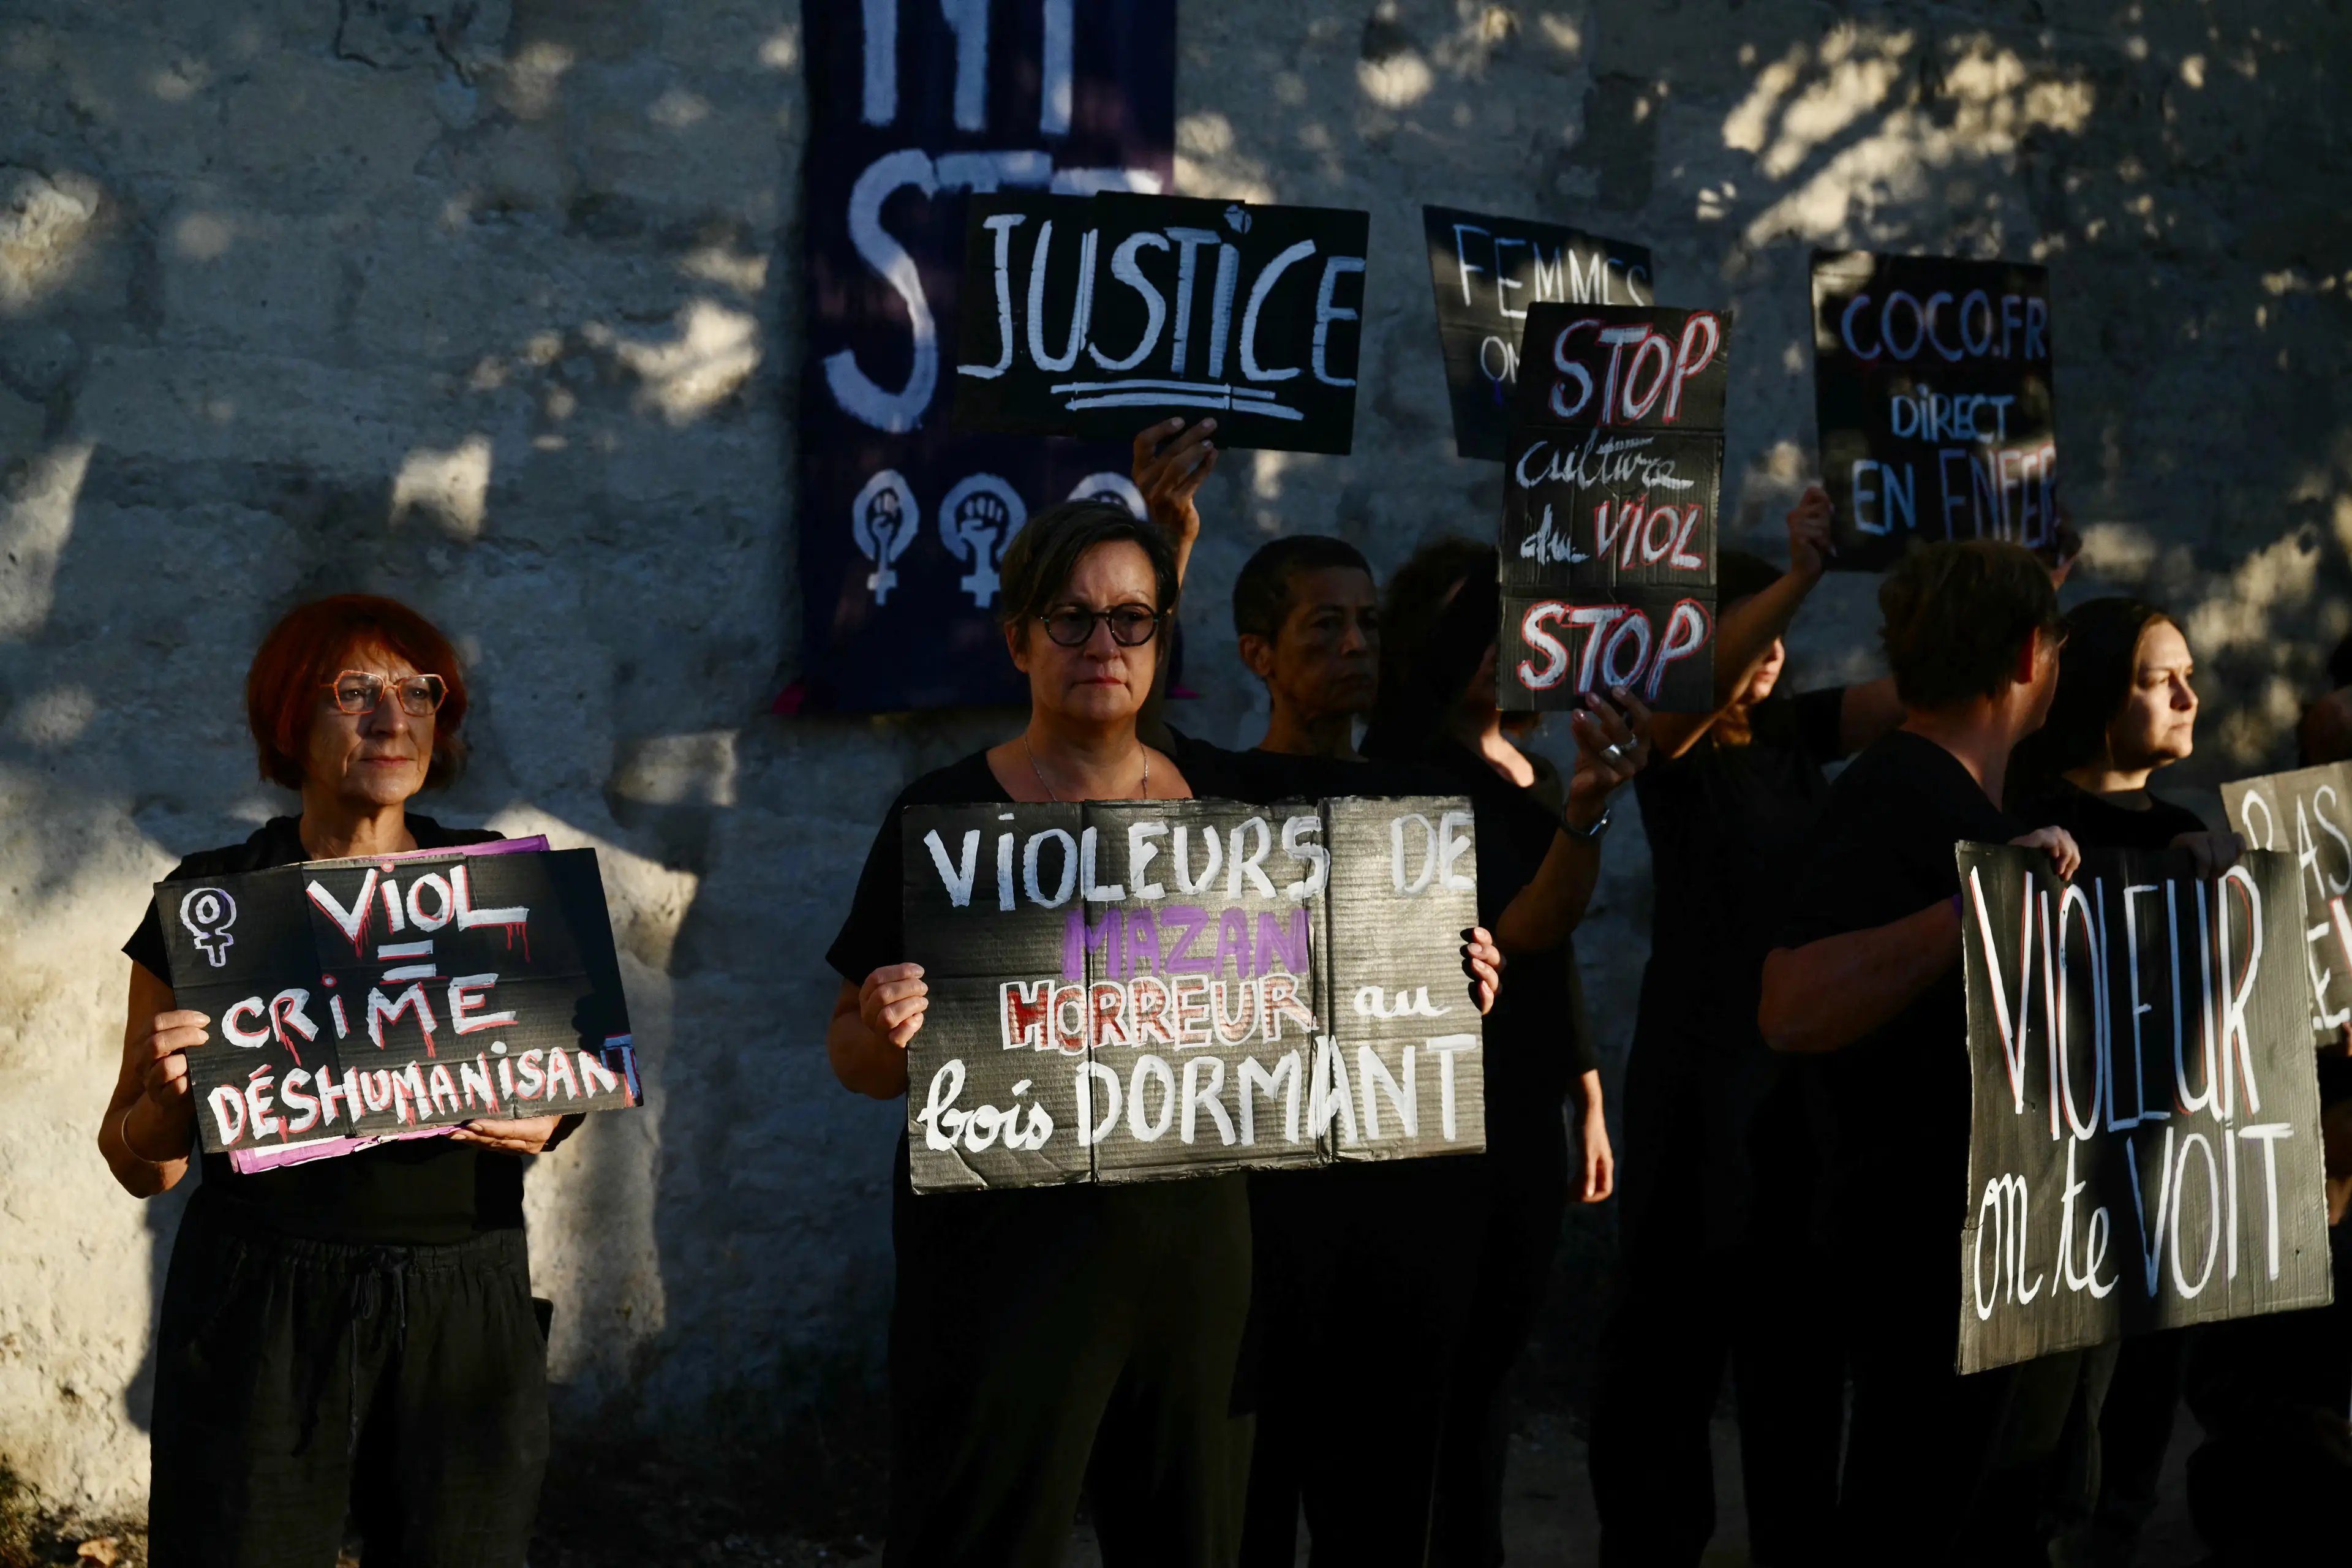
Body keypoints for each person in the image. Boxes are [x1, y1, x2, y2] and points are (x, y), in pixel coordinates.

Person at [823, 497, 1506, 1568]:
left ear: (1161, 641)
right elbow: (855, 1063)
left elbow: (1351, 987)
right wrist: (884, 1028)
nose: (1104, 643)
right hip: (1007, 1269)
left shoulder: (1237, 798)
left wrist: (1446, 973)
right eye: (1071, 618)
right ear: (1018, 641)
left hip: (1202, 1265)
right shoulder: (947, 818)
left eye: (1131, 619)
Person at [1200, 532, 1642, 1568]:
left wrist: (1572, 829)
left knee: (1384, 1517)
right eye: (1327, 626)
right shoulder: (1212, 790)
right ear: (1258, 652)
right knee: (1250, 1518)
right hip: (1262, 1229)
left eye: (1370, 626)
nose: (1356, 644)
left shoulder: (1416, 801)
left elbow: (1520, 930)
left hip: (1400, 1220)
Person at [102, 595, 568, 1568]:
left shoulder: (493, 888)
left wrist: (551, 1115)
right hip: (259, 1303)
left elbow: (563, 1081)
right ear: (288, 721)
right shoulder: (211, 905)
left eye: (418, 692)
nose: (392, 719)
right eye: (354, 692)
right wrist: (162, 1105)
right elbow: (136, 1161)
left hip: (464, 1299)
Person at [1588, 486, 1904, 1566]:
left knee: (1797, 1347)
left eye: (1771, 621)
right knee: (1670, 1339)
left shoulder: (1795, 732)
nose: (1767, 643)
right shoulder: (1664, 745)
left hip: (1794, 1086)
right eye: (1738, 620)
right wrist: (1798, 578)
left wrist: (2014, 615)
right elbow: (1687, 711)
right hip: (1694, 1078)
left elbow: (1930, 699)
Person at [1758, 540, 2090, 1566]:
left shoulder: (1970, 799)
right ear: (2034, 655)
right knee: (1910, 1522)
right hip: (1917, 1245)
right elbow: (1791, 1004)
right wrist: (1977, 910)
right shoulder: (1897, 793)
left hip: (1985, 1245)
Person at [1354, 539, 1624, 1568]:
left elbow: (1550, 952)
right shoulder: (1405, 766)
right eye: (1470, 624)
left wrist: (1588, 1093)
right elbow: (1510, 924)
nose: (1491, 647)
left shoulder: (1544, 770)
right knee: (1428, 1375)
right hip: (1431, 1102)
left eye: (1509, 622)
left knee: (1493, 1371)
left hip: (1522, 1101)